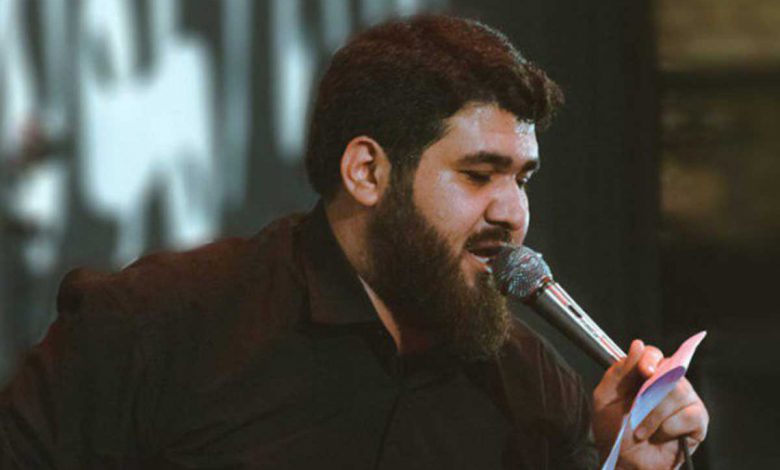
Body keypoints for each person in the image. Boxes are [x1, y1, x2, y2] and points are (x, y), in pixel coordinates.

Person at [0, 14, 707, 469]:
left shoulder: (533, 390)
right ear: (367, 171)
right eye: (478, 174)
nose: (513, 212)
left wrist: (619, 464)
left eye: (522, 178)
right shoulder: (157, 325)